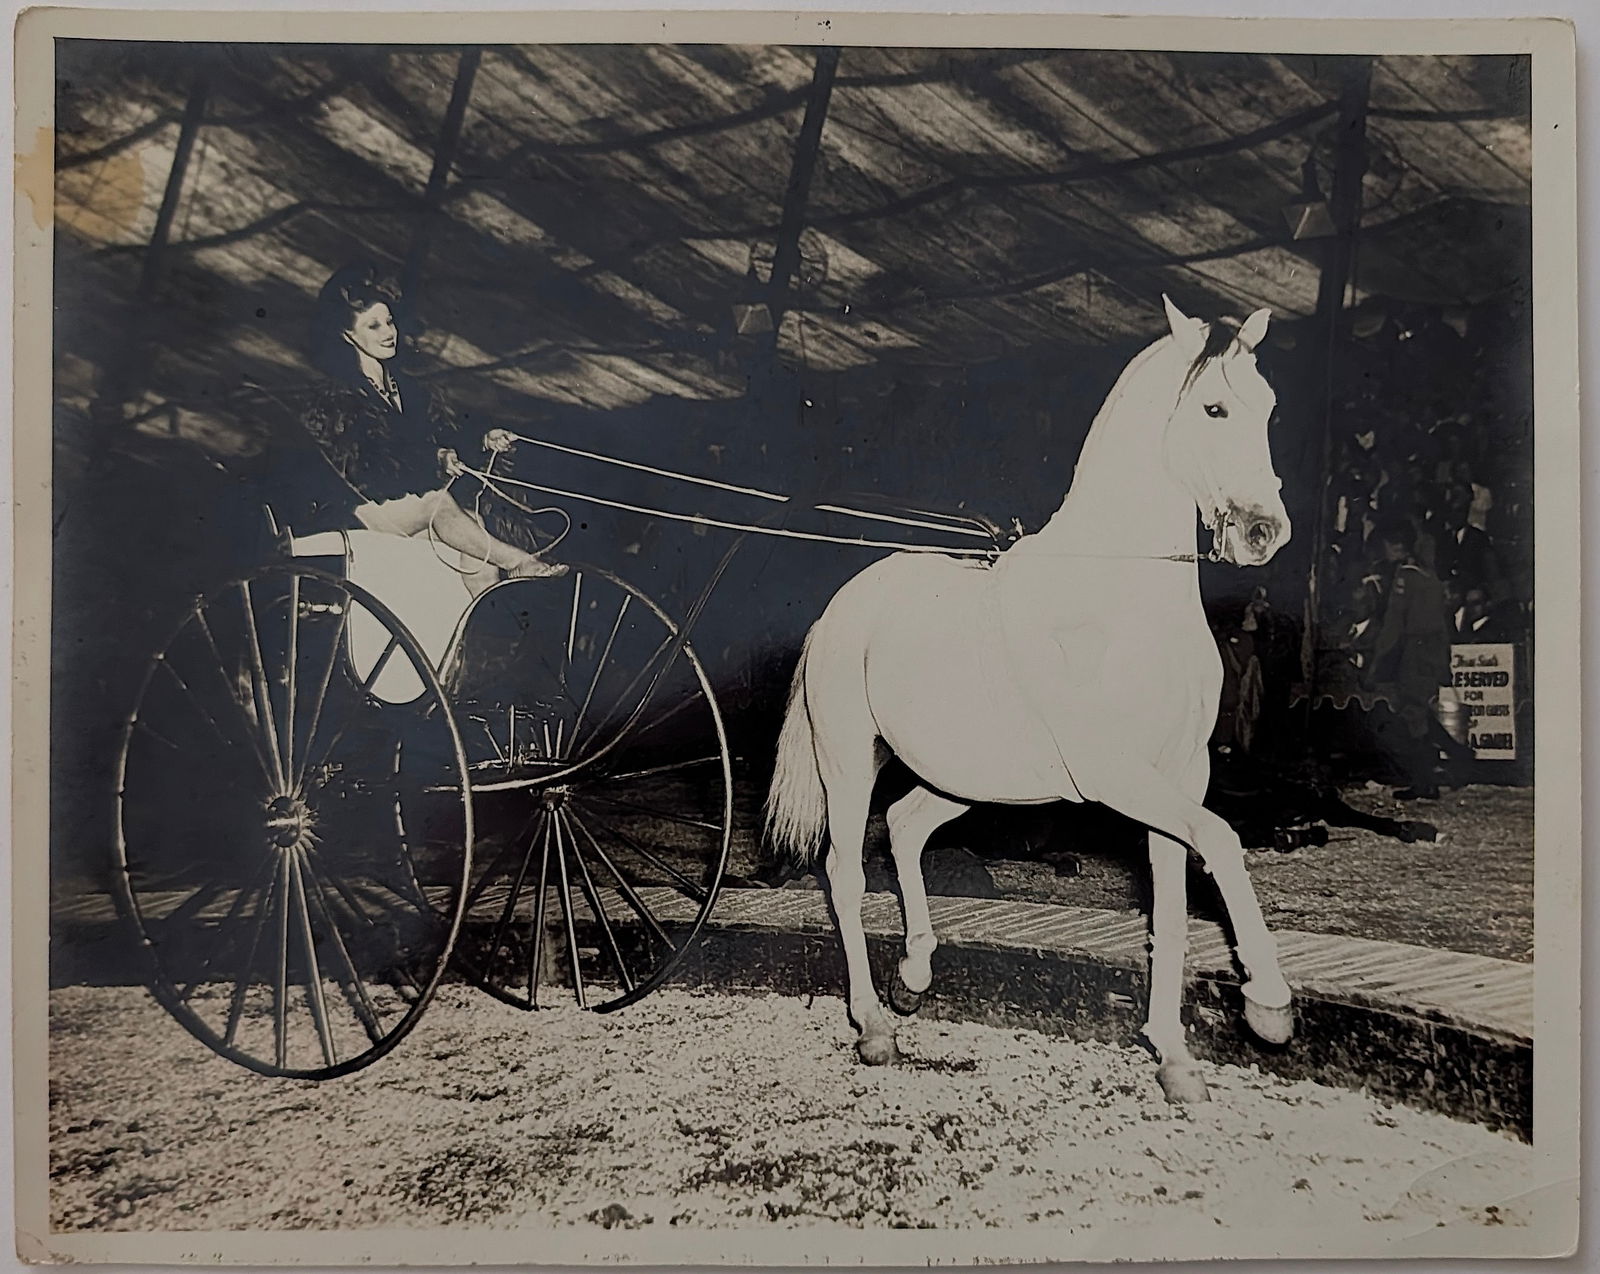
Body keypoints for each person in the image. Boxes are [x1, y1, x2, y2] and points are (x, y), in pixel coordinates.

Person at [302, 263, 563, 580]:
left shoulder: (411, 389)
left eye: (389, 321)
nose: (388, 333)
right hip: (357, 509)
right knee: (435, 502)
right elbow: (362, 466)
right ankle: (520, 562)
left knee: (474, 531)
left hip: (404, 509)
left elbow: (444, 436)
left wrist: (483, 440)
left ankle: (473, 626)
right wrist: (433, 459)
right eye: (373, 326)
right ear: (347, 335)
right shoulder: (336, 397)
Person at [1370, 517, 1454, 799]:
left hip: (1415, 651)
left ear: (1396, 546)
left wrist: (1378, 659)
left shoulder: (1404, 576)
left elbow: (1395, 623)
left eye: (1386, 546)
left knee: (1412, 713)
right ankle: (1435, 773)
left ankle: (1428, 779)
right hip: (1432, 649)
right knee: (1420, 712)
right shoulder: (1429, 574)